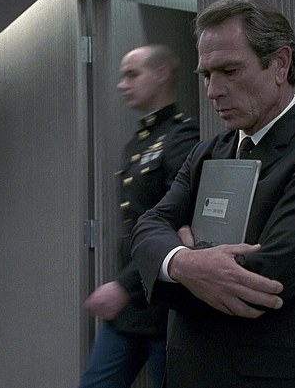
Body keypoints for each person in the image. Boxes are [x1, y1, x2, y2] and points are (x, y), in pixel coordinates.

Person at [131, 0, 295, 387]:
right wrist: (184, 262)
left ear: (280, 63)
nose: (213, 91)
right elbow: (148, 227)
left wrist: (169, 263)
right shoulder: (206, 152)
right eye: (207, 75)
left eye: (229, 71)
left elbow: (264, 280)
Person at [80, 44, 199, 388]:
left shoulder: (182, 136)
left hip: (167, 302)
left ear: (161, 74)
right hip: (132, 304)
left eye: (132, 75)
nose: (122, 85)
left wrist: (123, 285)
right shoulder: (136, 144)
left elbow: (178, 221)